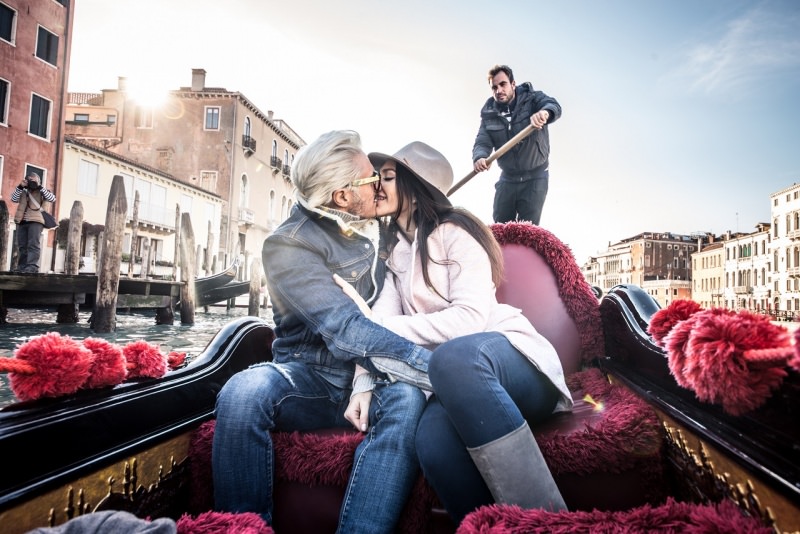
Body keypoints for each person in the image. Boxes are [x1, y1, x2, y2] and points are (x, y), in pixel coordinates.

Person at [338, 141, 572, 524]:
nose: (377, 185)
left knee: (454, 357)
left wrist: (379, 325)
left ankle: (549, 526)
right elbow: (376, 326)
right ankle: (492, 528)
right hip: (453, 383)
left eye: (390, 177)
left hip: (513, 366)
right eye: (377, 176)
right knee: (431, 442)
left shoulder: (456, 231)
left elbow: (470, 319)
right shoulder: (392, 252)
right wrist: (362, 382)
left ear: (418, 187)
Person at [211, 130, 430, 534]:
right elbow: (344, 328)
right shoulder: (288, 246)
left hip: (374, 377)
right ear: (342, 197)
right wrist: (432, 367)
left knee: (407, 399)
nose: (380, 186)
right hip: (310, 379)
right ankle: (243, 528)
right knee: (243, 393)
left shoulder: (382, 225)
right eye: (371, 180)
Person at [472, 64, 561, 225]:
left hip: (535, 177)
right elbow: (482, 141)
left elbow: (553, 105)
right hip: (508, 178)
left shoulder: (532, 98)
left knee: (527, 231)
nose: (499, 90)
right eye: (494, 87)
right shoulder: (489, 113)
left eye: (503, 84)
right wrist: (480, 157)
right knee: (500, 228)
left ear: (513, 84)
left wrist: (544, 113)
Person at [11, 172, 57, 273]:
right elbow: (13, 199)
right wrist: (20, 186)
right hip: (21, 221)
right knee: (22, 246)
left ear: (39, 181)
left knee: (33, 244)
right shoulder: (22, 191)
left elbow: (52, 198)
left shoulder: (43, 191)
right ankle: (22, 266)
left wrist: (39, 186)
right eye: (29, 180)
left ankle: (32, 266)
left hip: (36, 221)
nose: (32, 182)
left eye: (34, 180)